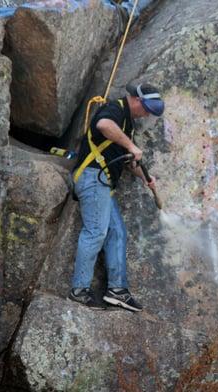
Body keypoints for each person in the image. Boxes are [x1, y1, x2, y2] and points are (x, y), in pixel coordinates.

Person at [69, 82, 165, 311]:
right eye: (146, 109)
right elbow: (103, 125)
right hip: (92, 178)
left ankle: (117, 290)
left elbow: (131, 161)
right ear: (136, 99)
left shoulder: (127, 124)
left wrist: (145, 177)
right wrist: (131, 145)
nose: (146, 114)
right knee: (96, 232)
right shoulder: (115, 109)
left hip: (102, 185)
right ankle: (79, 291)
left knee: (116, 233)